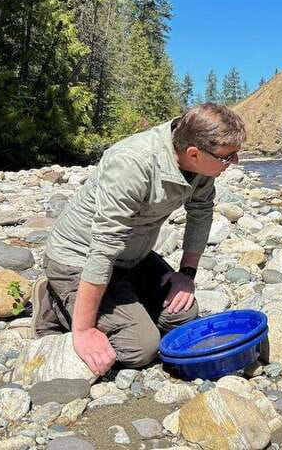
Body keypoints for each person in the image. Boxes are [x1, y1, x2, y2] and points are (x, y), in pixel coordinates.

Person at [31, 103, 246, 376]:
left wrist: (187, 274)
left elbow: (201, 212)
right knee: (140, 349)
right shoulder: (132, 164)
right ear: (193, 153)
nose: (234, 162)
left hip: (133, 257)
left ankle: (124, 302)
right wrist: (83, 330)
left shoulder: (201, 165)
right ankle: (54, 302)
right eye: (228, 157)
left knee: (181, 317)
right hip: (79, 259)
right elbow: (103, 249)